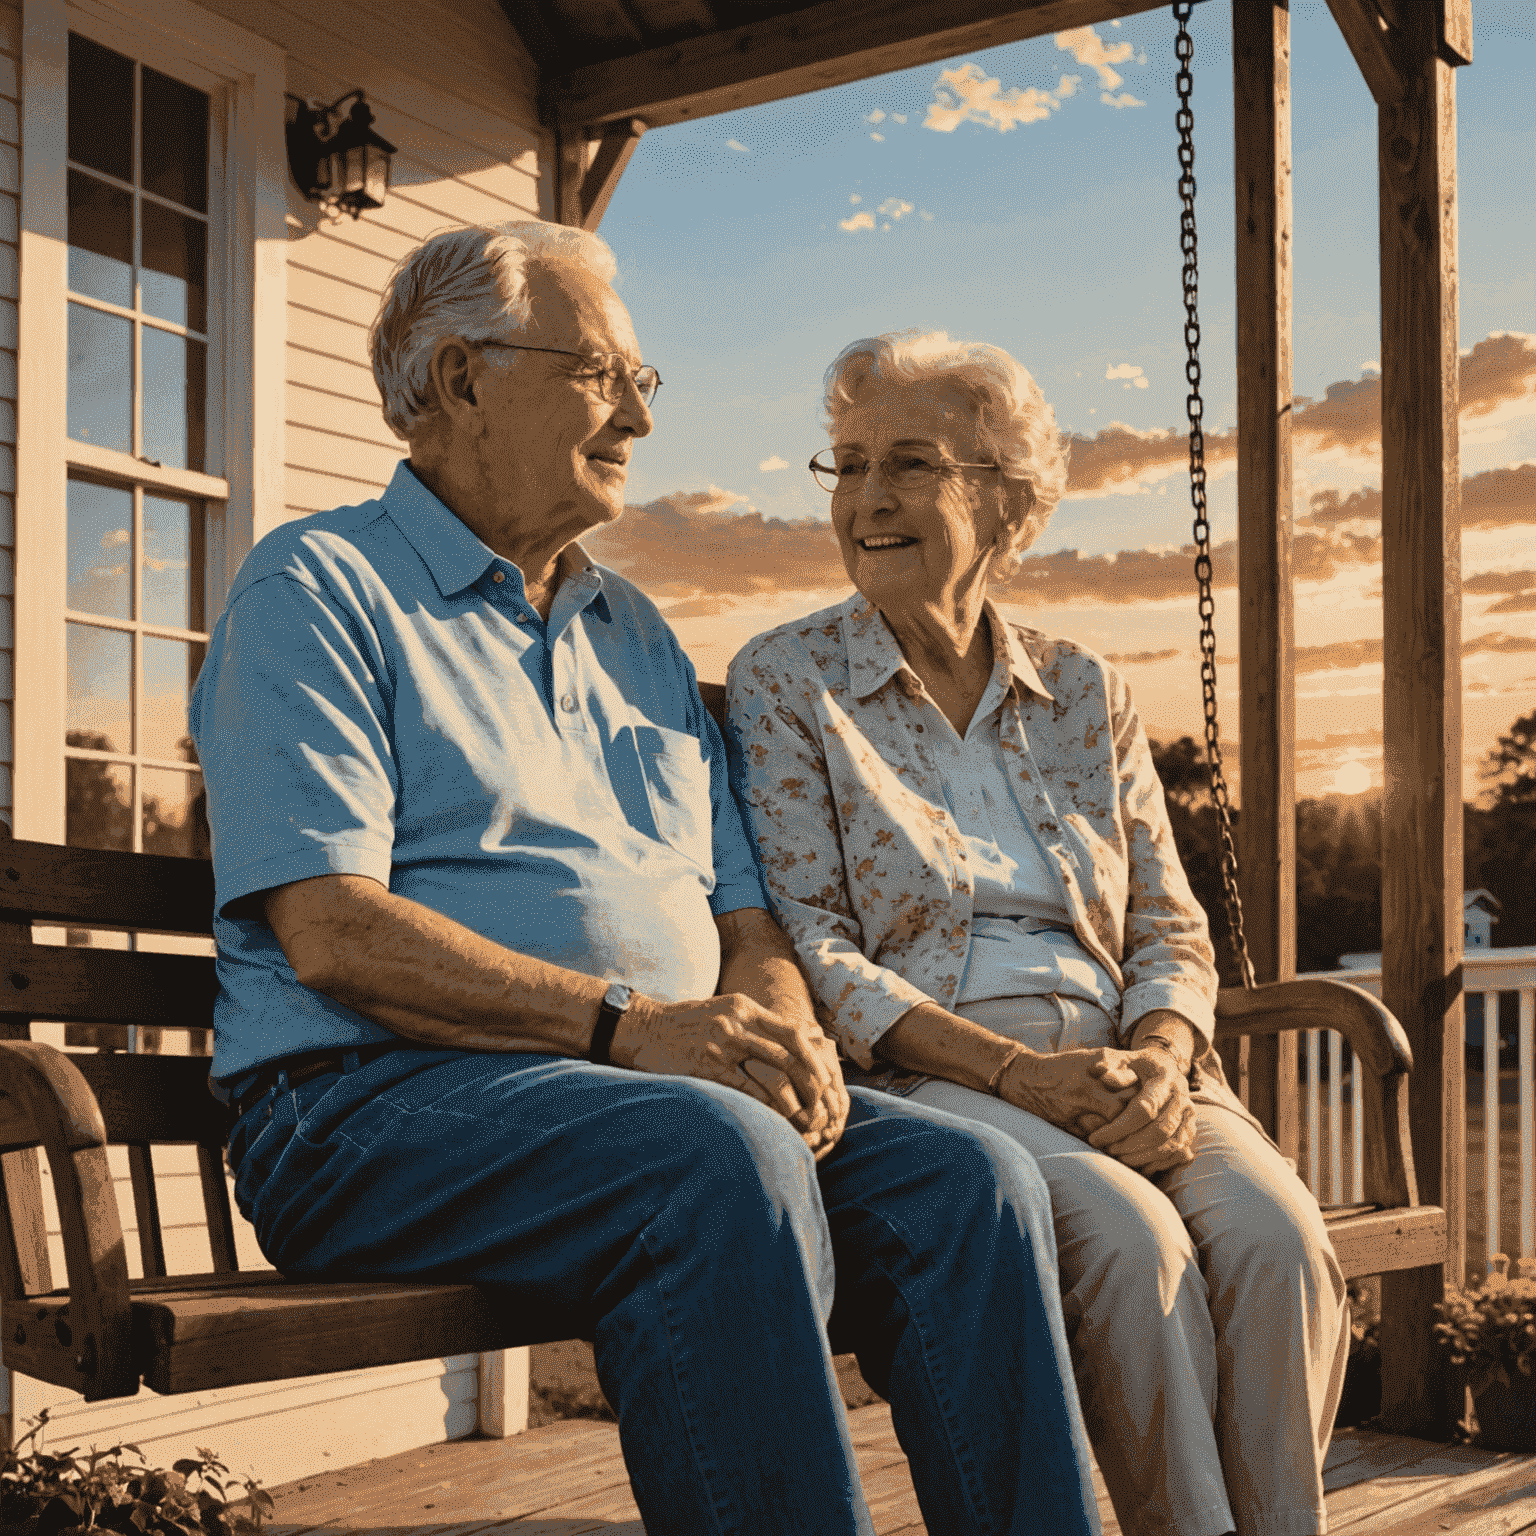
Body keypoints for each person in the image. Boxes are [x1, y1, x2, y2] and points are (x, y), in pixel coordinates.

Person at [190, 225, 1103, 1536]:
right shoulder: (319, 589)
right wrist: (631, 1028)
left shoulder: (636, 635)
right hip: (363, 1107)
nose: (636, 413)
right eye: (600, 372)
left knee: (972, 1184)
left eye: (645, 381)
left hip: (633, 1094)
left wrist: (779, 1026)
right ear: (461, 380)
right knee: (716, 1155)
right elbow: (333, 932)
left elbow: (743, 918)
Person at [725, 331, 1351, 1536]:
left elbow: (1170, 917)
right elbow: (816, 946)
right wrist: (1023, 1074)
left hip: (1128, 1055)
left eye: (909, 463)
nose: (868, 500)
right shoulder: (787, 680)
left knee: (1279, 1244)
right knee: (1131, 1246)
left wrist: (1163, 1059)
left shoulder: (1085, 688)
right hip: (941, 1073)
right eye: (847, 466)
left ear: (1005, 500)